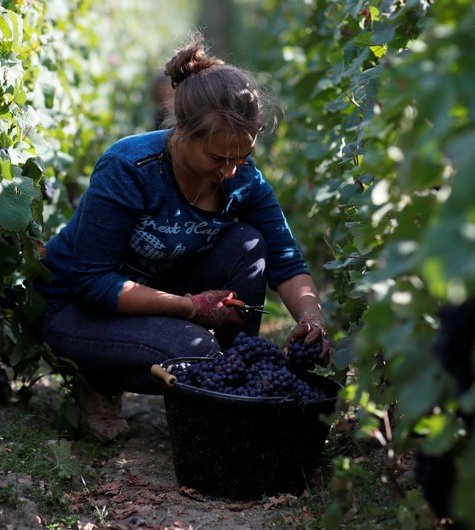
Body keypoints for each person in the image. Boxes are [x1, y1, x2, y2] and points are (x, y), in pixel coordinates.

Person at [37, 33, 330, 441]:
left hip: (150, 295)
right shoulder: (129, 168)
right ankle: (98, 377)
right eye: (217, 157)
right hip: (78, 309)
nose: (230, 170)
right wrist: (190, 308)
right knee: (195, 351)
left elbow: (286, 260)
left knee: (248, 243)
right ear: (182, 133)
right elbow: (92, 281)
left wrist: (311, 319)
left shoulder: (241, 179)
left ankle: (228, 389)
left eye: (241, 156)